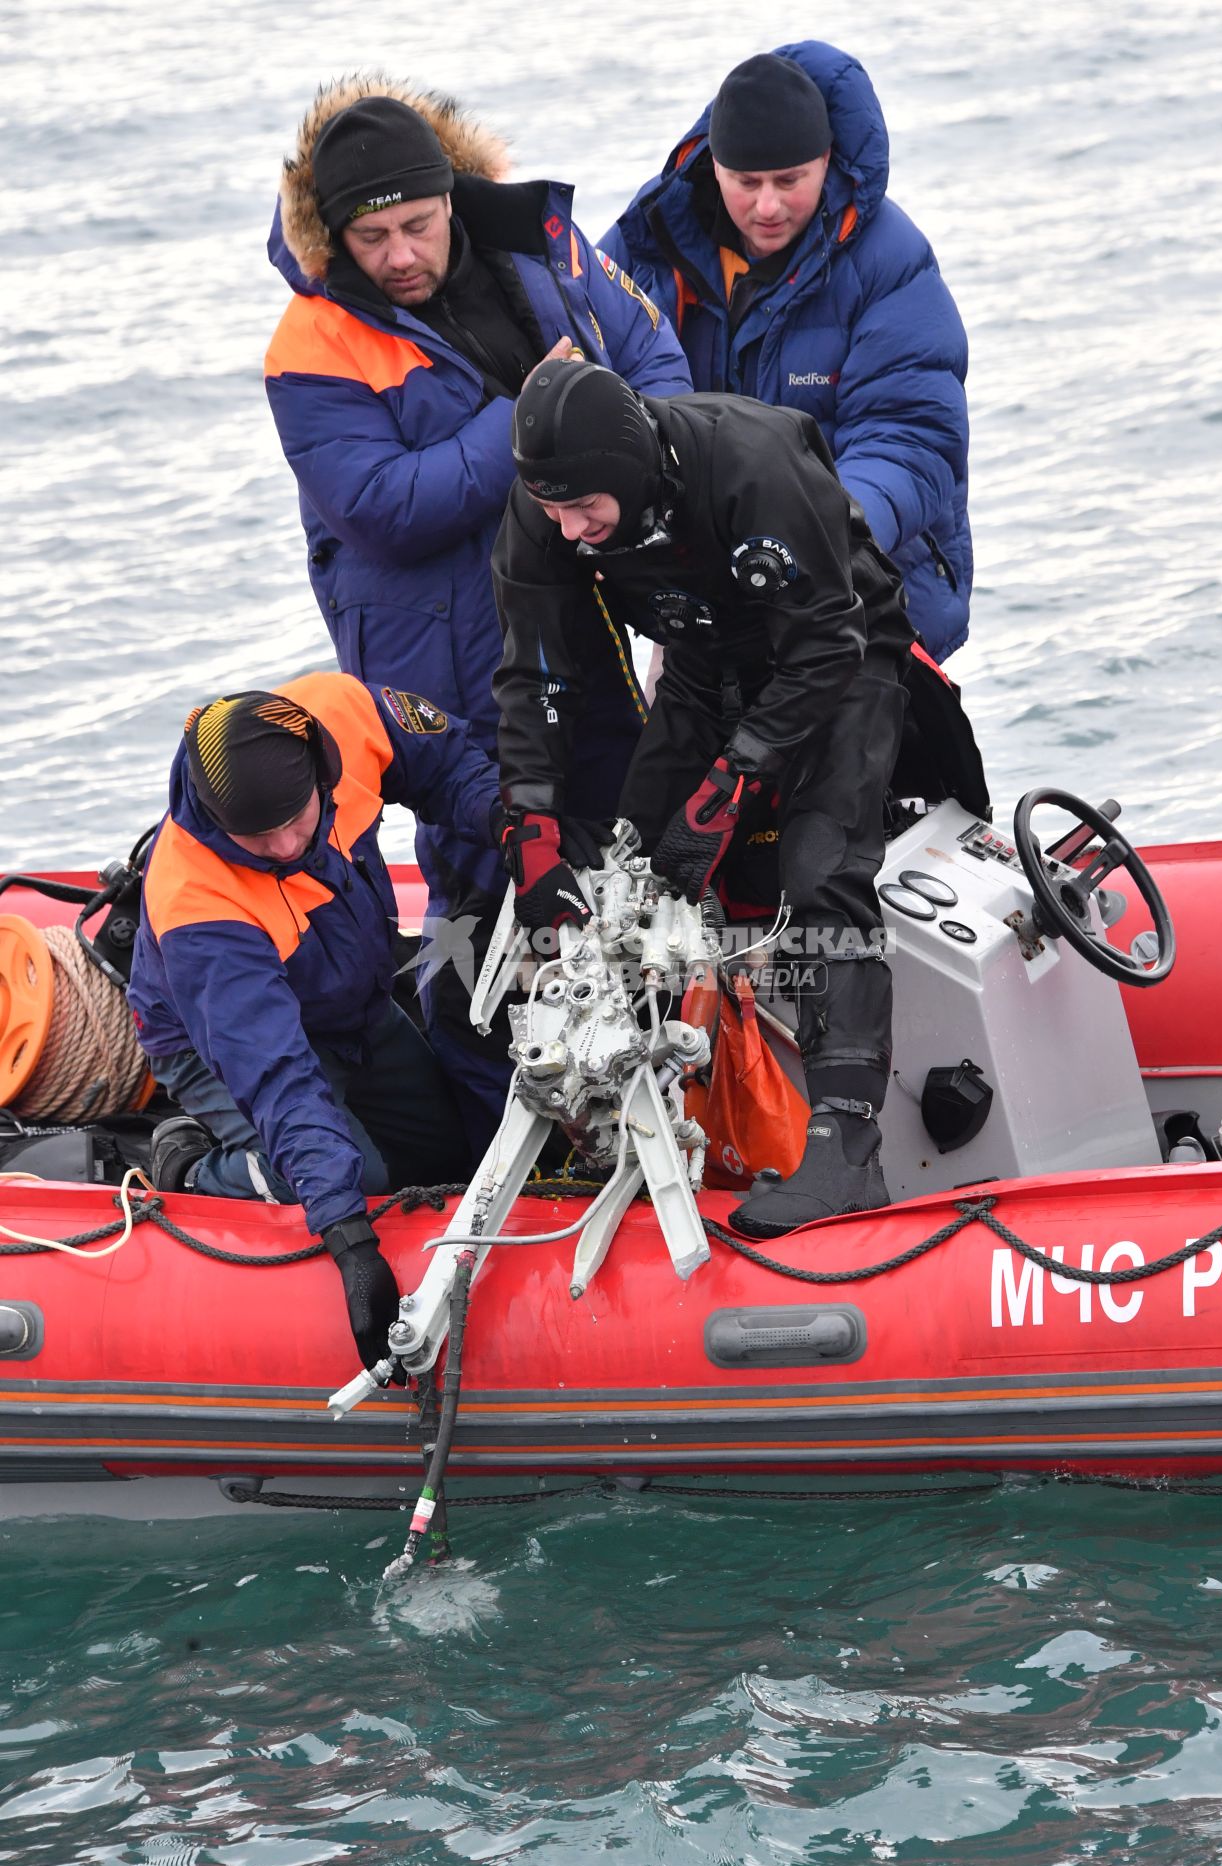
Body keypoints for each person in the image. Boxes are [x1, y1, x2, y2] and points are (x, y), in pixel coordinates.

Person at [264, 80, 692, 1132]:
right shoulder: (310, 344)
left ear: (451, 196)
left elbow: (656, 370)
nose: (400, 254)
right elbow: (382, 507)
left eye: (417, 224)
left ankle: (643, 1095)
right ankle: (486, 1126)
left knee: (625, 841)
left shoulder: (545, 247)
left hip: (583, 611)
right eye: (372, 237)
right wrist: (537, 413)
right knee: (487, 879)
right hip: (444, 658)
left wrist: (616, 453)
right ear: (336, 234)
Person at [490, 361, 986, 1237]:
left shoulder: (752, 461)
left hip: (841, 654)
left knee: (819, 867)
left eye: (583, 511)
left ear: (630, 472)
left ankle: (847, 1147)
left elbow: (827, 644)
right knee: (626, 870)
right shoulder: (548, 513)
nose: (568, 532)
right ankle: (614, 1117)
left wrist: (731, 788)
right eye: (553, 511)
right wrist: (529, 824)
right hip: (701, 665)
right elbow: (536, 678)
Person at [127, 674, 500, 1374]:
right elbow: (279, 1076)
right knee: (358, 1174)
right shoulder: (198, 904)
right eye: (255, 835)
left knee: (451, 1148)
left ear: (323, 771)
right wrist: (352, 1242)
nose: (281, 846)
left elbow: (448, 765)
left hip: (350, 1006)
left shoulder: (345, 713)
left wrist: (513, 827)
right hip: (219, 1042)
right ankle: (190, 1166)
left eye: (295, 821)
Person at [600, 42, 972, 666]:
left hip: (860, 593)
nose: (766, 206)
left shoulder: (892, 262)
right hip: (706, 603)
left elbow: (910, 436)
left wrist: (819, 538)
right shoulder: (648, 241)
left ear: (826, 161)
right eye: (746, 182)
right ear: (714, 165)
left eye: (790, 181)